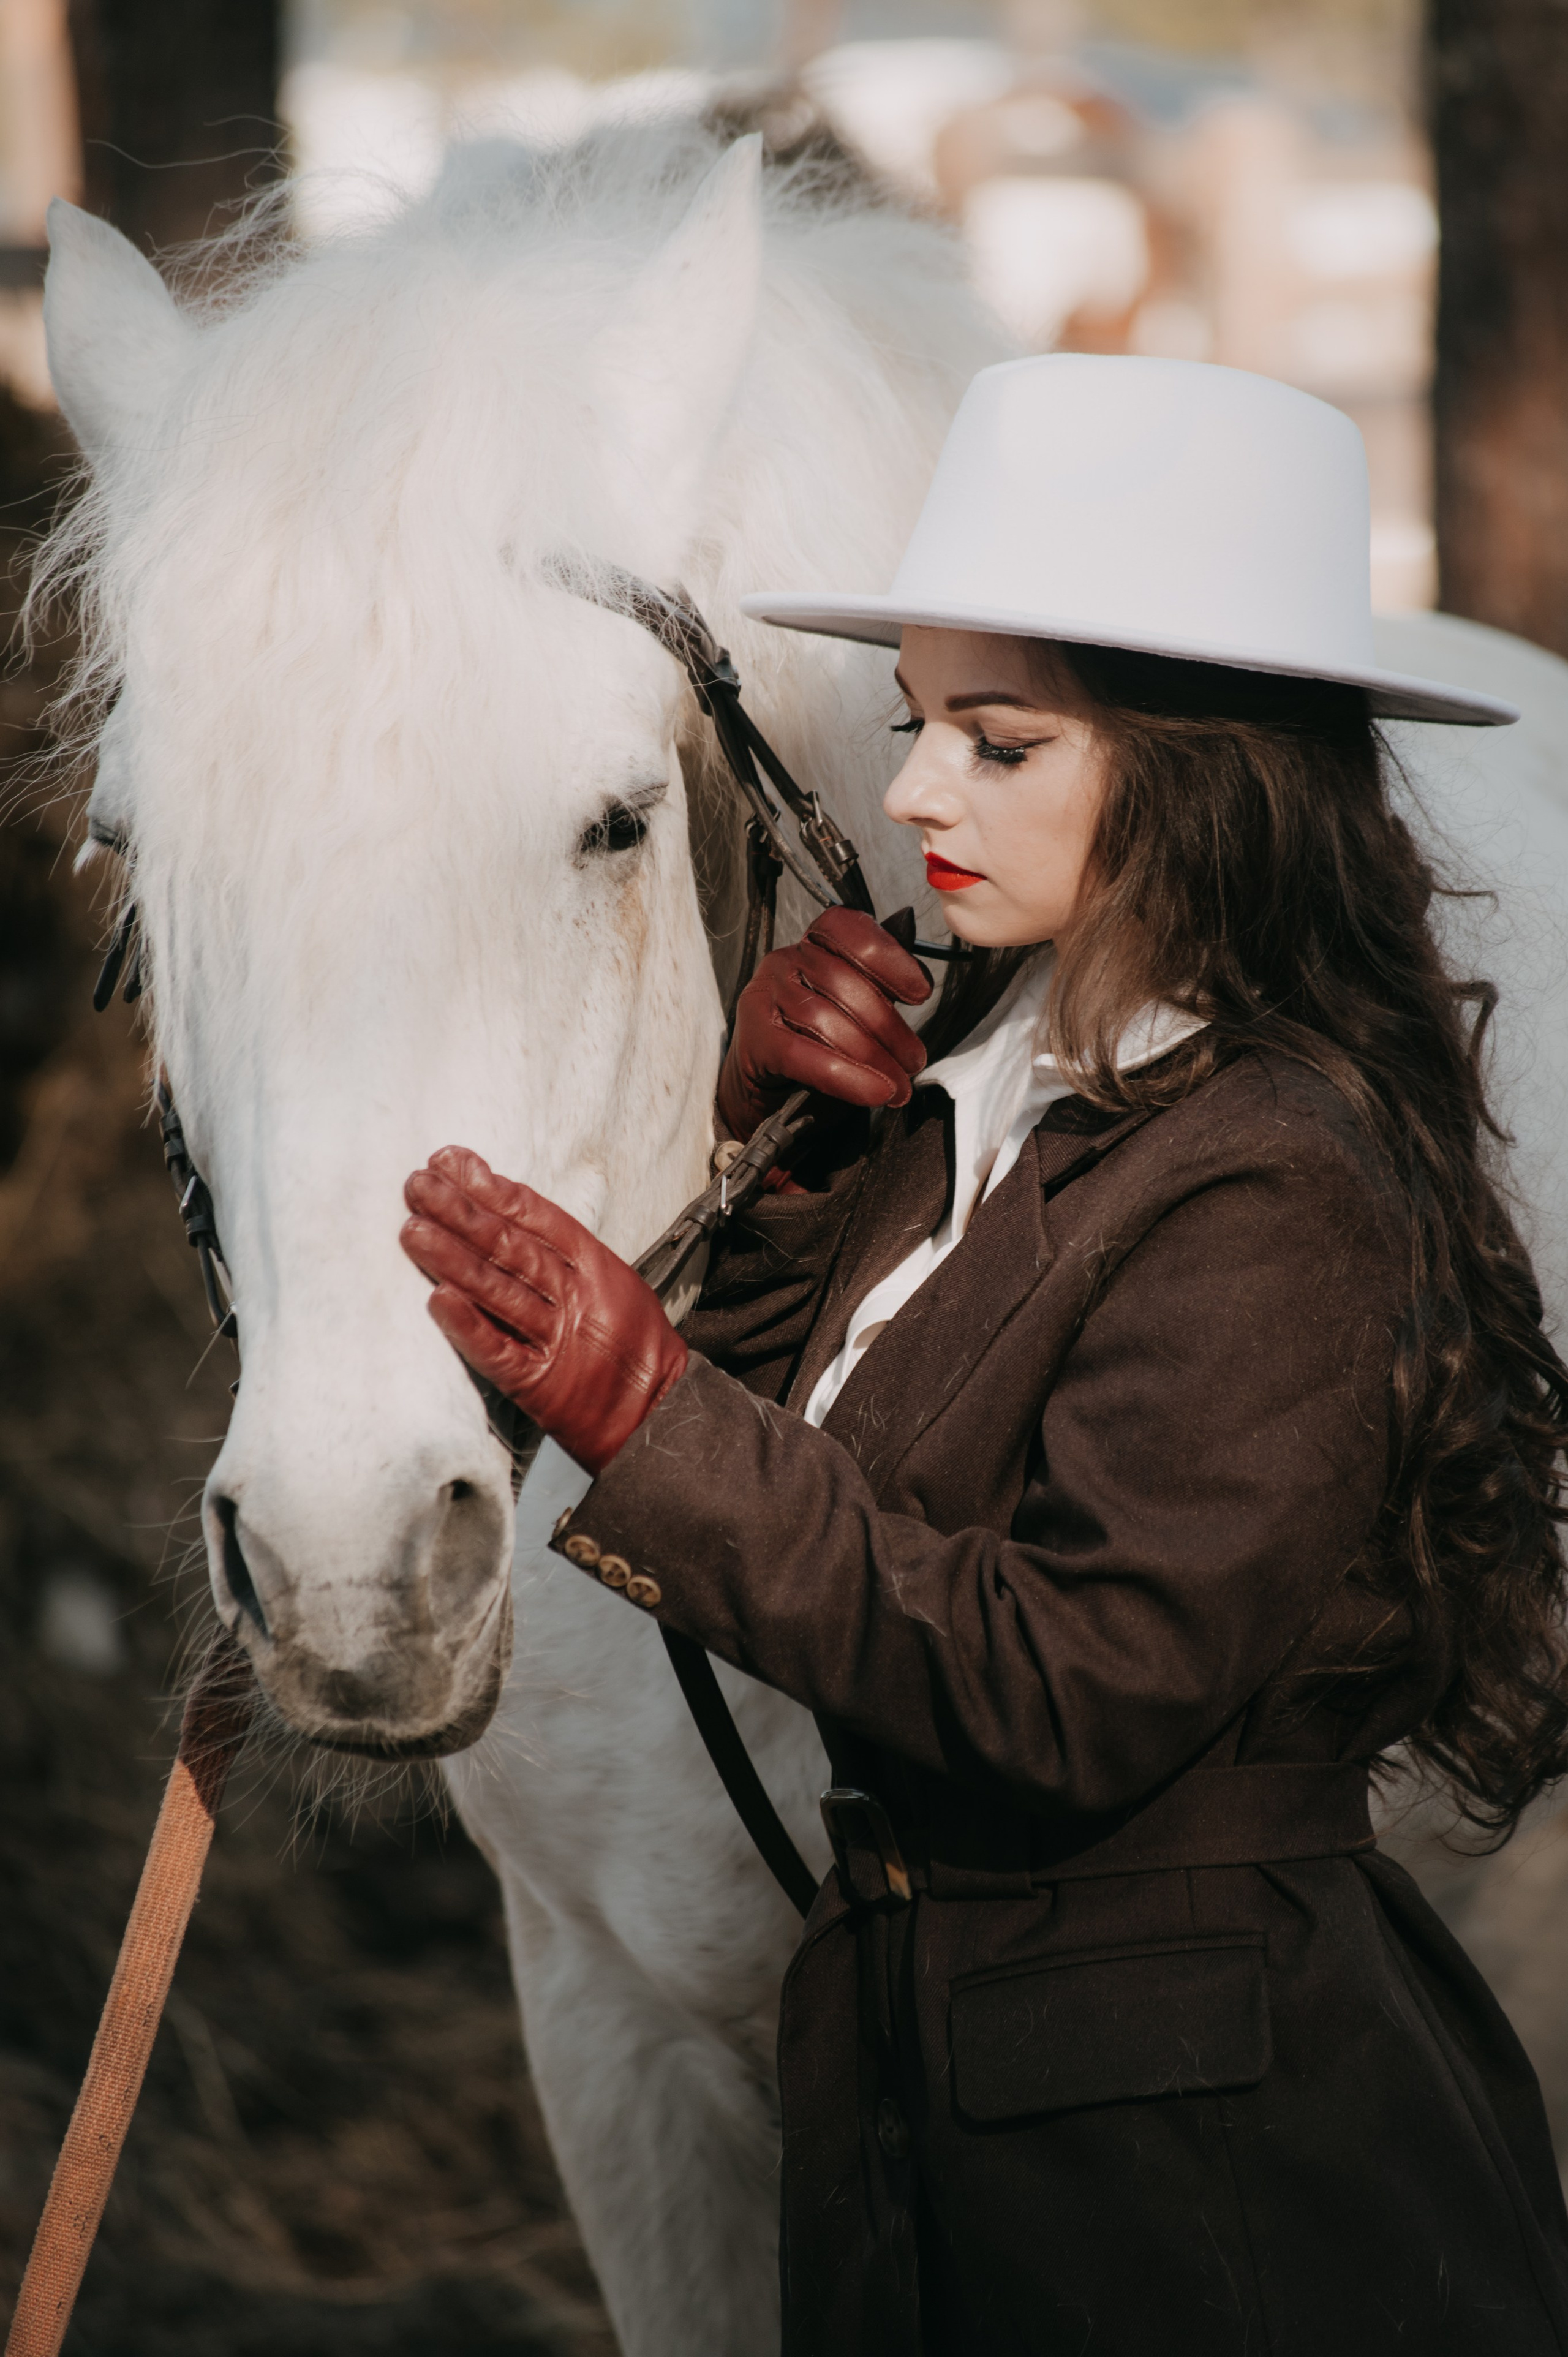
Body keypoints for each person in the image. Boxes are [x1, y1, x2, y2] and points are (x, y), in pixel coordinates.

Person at [399, 357, 1568, 2355]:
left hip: (1208, 2170)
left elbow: (1071, 1685)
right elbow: (844, 1474)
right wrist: (790, 1163)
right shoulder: (993, 1086)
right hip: (951, 2127)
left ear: (1205, 769)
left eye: (1000, 743)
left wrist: (639, 1410)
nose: (918, 790)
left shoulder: (1279, 1173)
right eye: (917, 723)